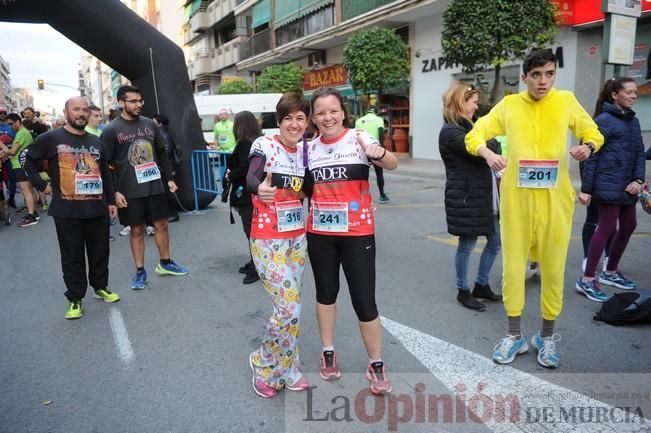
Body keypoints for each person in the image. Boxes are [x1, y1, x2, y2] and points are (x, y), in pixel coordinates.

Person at [465, 49, 603, 369]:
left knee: (553, 269)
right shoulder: (510, 105)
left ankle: (546, 336)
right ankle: (515, 336)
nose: (544, 81)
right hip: (518, 200)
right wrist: (487, 154)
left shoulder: (566, 101)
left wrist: (587, 147)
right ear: (525, 77)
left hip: (555, 200)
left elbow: (593, 132)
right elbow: (475, 134)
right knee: (513, 268)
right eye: (537, 75)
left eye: (550, 74)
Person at [305, 87, 398, 394]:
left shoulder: (359, 138)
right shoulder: (308, 149)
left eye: (333, 110)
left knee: (364, 300)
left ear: (343, 112)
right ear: (313, 118)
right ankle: (328, 351)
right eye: (320, 112)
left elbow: (392, 164)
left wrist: (380, 154)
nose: (327, 117)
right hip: (320, 234)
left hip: (357, 233)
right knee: (326, 293)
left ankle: (376, 362)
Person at [23, 96, 120, 319]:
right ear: (66, 112)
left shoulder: (96, 141)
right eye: (76, 109)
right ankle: (75, 298)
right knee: (72, 256)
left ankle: (100, 287)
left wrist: (111, 200)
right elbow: (26, 159)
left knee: (100, 252)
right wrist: (42, 185)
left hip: (97, 208)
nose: (81, 114)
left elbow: (105, 172)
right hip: (67, 211)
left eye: (85, 110)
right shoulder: (51, 138)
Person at [245, 93, 310, 398]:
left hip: (297, 238)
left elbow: (317, 188)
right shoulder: (265, 145)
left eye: (300, 118)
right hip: (268, 238)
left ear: (306, 122)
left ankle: (290, 366)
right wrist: (259, 187)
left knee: (291, 307)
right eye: (288, 118)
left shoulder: (308, 151)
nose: (294, 124)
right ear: (279, 121)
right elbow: (253, 175)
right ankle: (264, 363)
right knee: (288, 306)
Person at [102, 85, 188, 290]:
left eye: (140, 101)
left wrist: (169, 178)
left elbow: (161, 153)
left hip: (155, 186)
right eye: (133, 101)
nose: (138, 104)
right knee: (137, 229)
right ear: (121, 103)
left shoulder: (150, 124)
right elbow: (105, 165)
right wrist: (114, 191)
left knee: (162, 224)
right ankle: (140, 271)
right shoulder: (112, 129)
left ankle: (165, 263)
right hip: (129, 190)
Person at [576, 77, 646, 301]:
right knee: (605, 228)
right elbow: (591, 157)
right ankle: (586, 279)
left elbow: (639, 153)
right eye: (629, 92)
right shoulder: (603, 120)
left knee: (629, 225)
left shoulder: (633, 121)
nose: (634, 96)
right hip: (607, 183)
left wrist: (638, 179)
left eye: (636, 92)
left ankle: (610, 271)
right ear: (615, 94)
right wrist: (587, 189)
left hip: (628, 185)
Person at [439, 82, 503, 311]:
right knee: (467, 243)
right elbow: (480, 153)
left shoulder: (471, 127)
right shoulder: (451, 131)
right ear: (460, 102)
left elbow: (490, 146)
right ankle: (462, 290)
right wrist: (491, 144)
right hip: (466, 195)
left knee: (495, 242)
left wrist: (490, 144)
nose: (476, 107)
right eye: (473, 102)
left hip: (483, 195)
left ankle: (482, 285)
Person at [227, 110, 261, 285]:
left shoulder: (244, 144)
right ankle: (254, 261)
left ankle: (257, 266)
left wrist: (230, 174)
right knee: (253, 231)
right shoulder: (257, 142)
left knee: (251, 231)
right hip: (254, 193)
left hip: (246, 194)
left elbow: (243, 168)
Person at [5, 113, 39, 227]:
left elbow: (13, 151)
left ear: (17, 122)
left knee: (26, 191)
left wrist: (3, 149)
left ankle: (31, 216)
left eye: (11, 124)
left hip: (20, 165)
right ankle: (33, 212)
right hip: (24, 164)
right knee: (30, 189)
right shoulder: (25, 133)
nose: (10, 127)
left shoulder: (21, 133)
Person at [355, 108, 390, 203]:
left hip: (362, 150)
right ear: (375, 112)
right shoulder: (379, 119)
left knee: (363, 175)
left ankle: (362, 196)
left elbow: (356, 135)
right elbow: (380, 133)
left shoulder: (359, 120)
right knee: (379, 174)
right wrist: (382, 149)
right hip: (375, 149)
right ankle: (382, 195)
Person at [153, 114, 180, 222]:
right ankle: (171, 213)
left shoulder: (162, 135)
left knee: (169, 192)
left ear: (159, 123)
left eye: (154, 122)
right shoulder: (163, 133)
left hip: (165, 168)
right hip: (165, 167)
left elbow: (166, 153)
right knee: (167, 192)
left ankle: (174, 214)